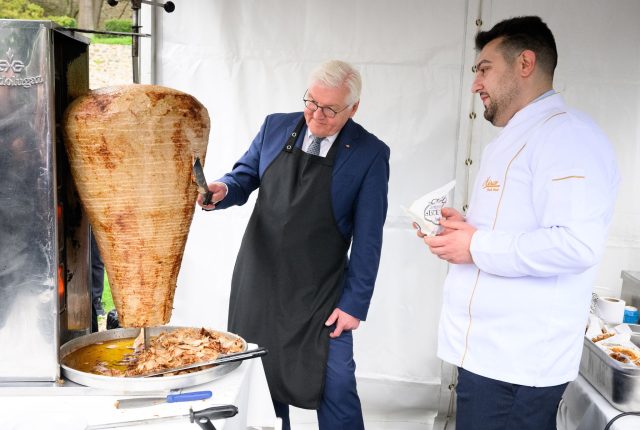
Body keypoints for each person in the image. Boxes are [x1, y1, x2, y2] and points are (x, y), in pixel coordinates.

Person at [417, 16, 619, 430]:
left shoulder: (566, 136)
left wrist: (475, 245)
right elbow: (516, 228)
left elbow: (576, 244)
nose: (475, 84)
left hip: (517, 366)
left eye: (484, 69)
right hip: (491, 358)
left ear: (525, 63)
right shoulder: (515, 138)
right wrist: (465, 228)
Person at [199, 60, 390, 430]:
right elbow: (244, 176)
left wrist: (354, 305)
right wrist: (222, 190)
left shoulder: (370, 153)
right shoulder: (276, 125)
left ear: (354, 108)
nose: (316, 115)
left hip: (320, 292)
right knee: (259, 387)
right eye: (311, 102)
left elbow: (370, 238)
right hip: (260, 283)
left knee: (336, 385)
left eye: (329, 109)